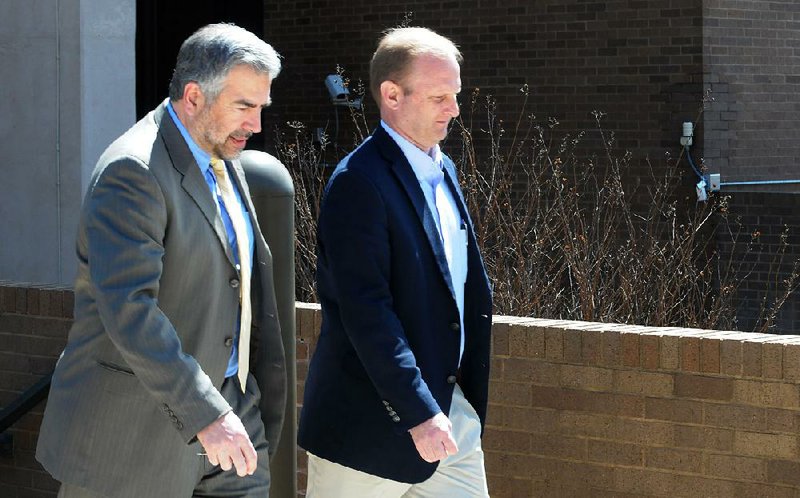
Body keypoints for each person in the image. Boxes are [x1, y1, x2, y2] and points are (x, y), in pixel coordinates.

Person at [36, 23, 287, 498]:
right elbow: (128, 309)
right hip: (133, 440)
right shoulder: (132, 171)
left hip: (236, 423)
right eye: (244, 106)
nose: (256, 124)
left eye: (260, 108)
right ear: (194, 96)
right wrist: (208, 412)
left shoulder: (225, 154)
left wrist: (240, 401)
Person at [298, 26, 493, 497]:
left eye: (456, 95)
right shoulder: (357, 184)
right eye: (440, 97)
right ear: (391, 95)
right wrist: (418, 411)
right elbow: (367, 313)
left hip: (451, 417)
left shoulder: (443, 168)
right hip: (367, 428)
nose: (455, 109)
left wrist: (444, 407)